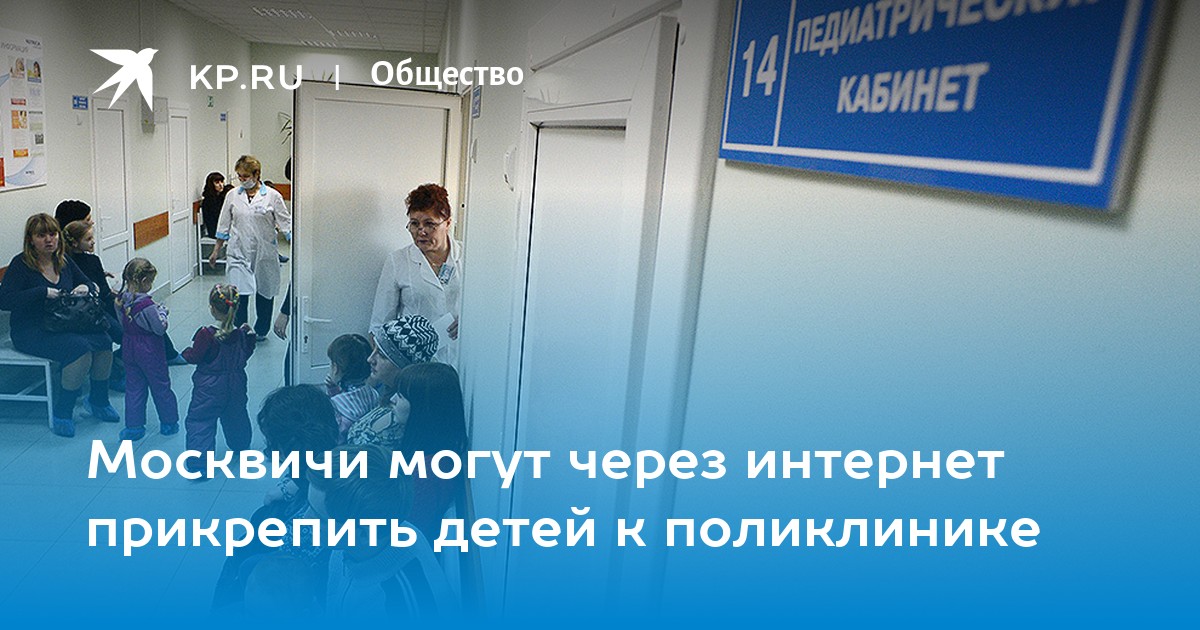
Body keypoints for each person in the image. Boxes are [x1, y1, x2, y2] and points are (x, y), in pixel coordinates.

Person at [0, 214, 117, 436]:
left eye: (52, 234)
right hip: (31, 330)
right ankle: (63, 411)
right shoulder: (21, 265)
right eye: (41, 235)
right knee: (79, 349)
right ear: (30, 239)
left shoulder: (63, 261)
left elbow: (88, 282)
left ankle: (98, 400)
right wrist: (41, 292)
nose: (49, 240)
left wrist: (86, 287)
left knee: (104, 341)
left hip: (63, 324)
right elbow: (4, 300)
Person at [308, 444, 456, 618]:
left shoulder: (400, 607)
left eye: (318, 517)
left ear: (364, 534)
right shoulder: (363, 539)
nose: (305, 519)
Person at [370, 183, 463, 366]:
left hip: (463, 357)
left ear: (447, 223)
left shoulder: (471, 257)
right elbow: (379, 326)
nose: (421, 231)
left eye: (429, 224)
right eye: (414, 224)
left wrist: (471, 321)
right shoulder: (397, 261)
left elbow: (491, 308)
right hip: (415, 367)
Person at [209, 155, 291, 339]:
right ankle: (241, 331)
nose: (242, 180)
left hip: (265, 253)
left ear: (256, 174)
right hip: (238, 251)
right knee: (238, 294)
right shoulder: (232, 195)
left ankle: (261, 330)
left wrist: (296, 243)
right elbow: (224, 224)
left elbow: (286, 224)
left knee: (265, 292)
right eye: (239, 176)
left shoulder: (272, 196)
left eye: (245, 176)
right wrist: (216, 251)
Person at [181, 284, 256, 474]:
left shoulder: (206, 334)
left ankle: (200, 464)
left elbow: (196, 356)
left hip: (209, 388)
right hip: (237, 384)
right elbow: (245, 355)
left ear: (212, 308)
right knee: (236, 415)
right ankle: (241, 445)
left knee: (201, 420)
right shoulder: (241, 335)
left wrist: (186, 353)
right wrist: (251, 337)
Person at [346, 314, 439, 451]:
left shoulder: (402, 415)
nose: (370, 359)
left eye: (382, 355)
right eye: (374, 349)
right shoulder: (386, 393)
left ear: (404, 367)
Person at [115, 258, 180, 440]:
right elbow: (159, 329)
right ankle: (169, 423)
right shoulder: (148, 306)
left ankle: (134, 427)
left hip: (129, 346)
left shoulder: (120, 301)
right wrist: (162, 313)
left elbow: (122, 323)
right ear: (144, 281)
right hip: (150, 350)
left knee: (134, 387)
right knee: (161, 386)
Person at [325, 333, 379, 441]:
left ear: (335, 368)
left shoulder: (334, 407)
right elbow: (349, 400)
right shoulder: (373, 393)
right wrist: (334, 390)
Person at [199, 171, 228, 239]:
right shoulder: (209, 201)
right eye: (217, 183)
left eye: (222, 182)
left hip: (223, 228)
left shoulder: (222, 196)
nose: (221, 185)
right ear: (211, 185)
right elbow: (213, 219)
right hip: (215, 230)